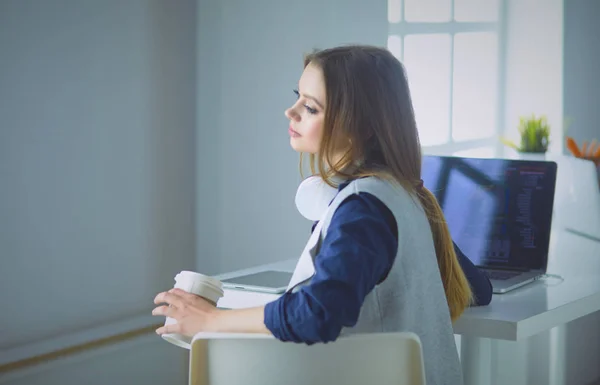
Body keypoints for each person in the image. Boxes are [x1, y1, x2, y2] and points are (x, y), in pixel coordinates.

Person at [153, 45, 492, 385]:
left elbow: (318, 314)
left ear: (362, 128)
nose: (291, 111)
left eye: (311, 107)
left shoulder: (364, 211)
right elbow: (478, 288)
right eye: (298, 97)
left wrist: (210, 320)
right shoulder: (403, 195)